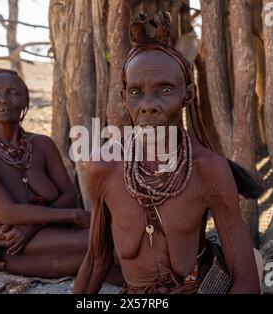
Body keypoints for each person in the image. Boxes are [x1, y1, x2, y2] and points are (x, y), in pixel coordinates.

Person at [73, 12, 262, 294]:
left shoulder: (208, 169)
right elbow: (96, 260)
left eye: (164, 89)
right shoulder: (104, 166)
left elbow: (246, 279)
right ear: (124, 98)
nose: (148, 104)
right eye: (136, 92)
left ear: (187, 95)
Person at [0, 68, 92, 278]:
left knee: (108, 253)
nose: (3, 99)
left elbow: (69, 195)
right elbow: (6, 212)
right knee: (99, 242)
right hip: (8, 242)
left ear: (26, 103)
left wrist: (32, 226)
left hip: (42, 233)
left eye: (12, 93)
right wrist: (74, 215)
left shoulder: (42, 144)